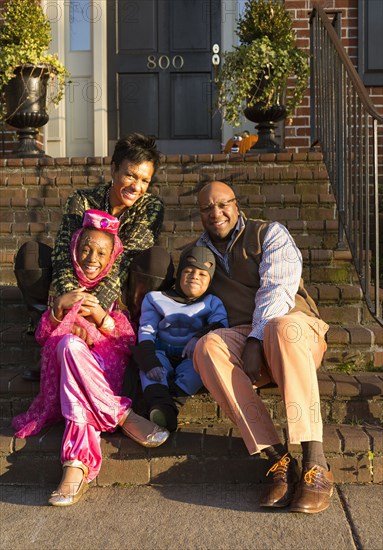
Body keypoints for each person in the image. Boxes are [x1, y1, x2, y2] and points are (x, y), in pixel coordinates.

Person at [191, 181, 333, 514]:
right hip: (245, 339)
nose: (216, 213)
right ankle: (277, 459)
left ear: (236, 205)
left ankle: (316, 462)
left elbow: (278, 291)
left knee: (281, 326)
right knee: (207, 347)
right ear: (199, 214)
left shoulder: (269, 234)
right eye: (207, 208)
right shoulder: (197, 252)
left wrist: (256, 338)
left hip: (294, 331)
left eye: (223, 204)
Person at [12, 210, 169, 507]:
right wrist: (58, 309)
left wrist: (102, 319)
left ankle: (75, 467)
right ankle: (121, 415)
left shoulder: (115, 295)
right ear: (74, 249)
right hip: (70, 377)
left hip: (100, 375)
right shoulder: (62, 290)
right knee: (68, 345)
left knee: (76, 382)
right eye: (85, 248)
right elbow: (45, 338)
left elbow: (127, 343)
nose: (91, 257)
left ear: (111, 256)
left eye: (100, 251)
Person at [14, 133, 174, 380]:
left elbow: (122, 261)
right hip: (74, 287)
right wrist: (70, 303)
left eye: (144, 180)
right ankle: (48, 339)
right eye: (130, 175)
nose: (136, 186)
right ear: (113, 170)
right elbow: (63, 253)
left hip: (117, 295)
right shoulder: (82, 200)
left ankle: (131, 340)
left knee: (157, 261)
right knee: (31, 254)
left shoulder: (151, 207)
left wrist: (91, 309)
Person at [131, 246, 229, 431]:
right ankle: (158, 404)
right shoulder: (155, 298)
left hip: (191, 356)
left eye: (202, 274)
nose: (194, 277)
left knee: (201, 370)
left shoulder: (212, 302)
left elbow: (221, 325)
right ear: (180, 272)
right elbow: (146, 330)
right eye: (189, 271)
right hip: (161, 350)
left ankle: (168, 409)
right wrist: (149, 360)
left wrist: (199, 337)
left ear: (210, 280)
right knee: (149, 372)